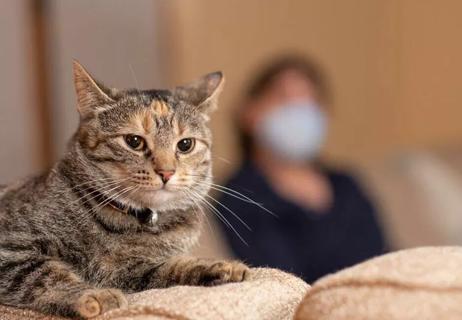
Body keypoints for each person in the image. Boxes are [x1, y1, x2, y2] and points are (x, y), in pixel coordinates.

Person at [216, 55, 386, 283]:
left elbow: (388, 255)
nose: (299, 109)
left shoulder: (346, 183)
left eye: (310, 99)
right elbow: (281, 279)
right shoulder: (240, 197)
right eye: (284, 97)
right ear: (250, 113)